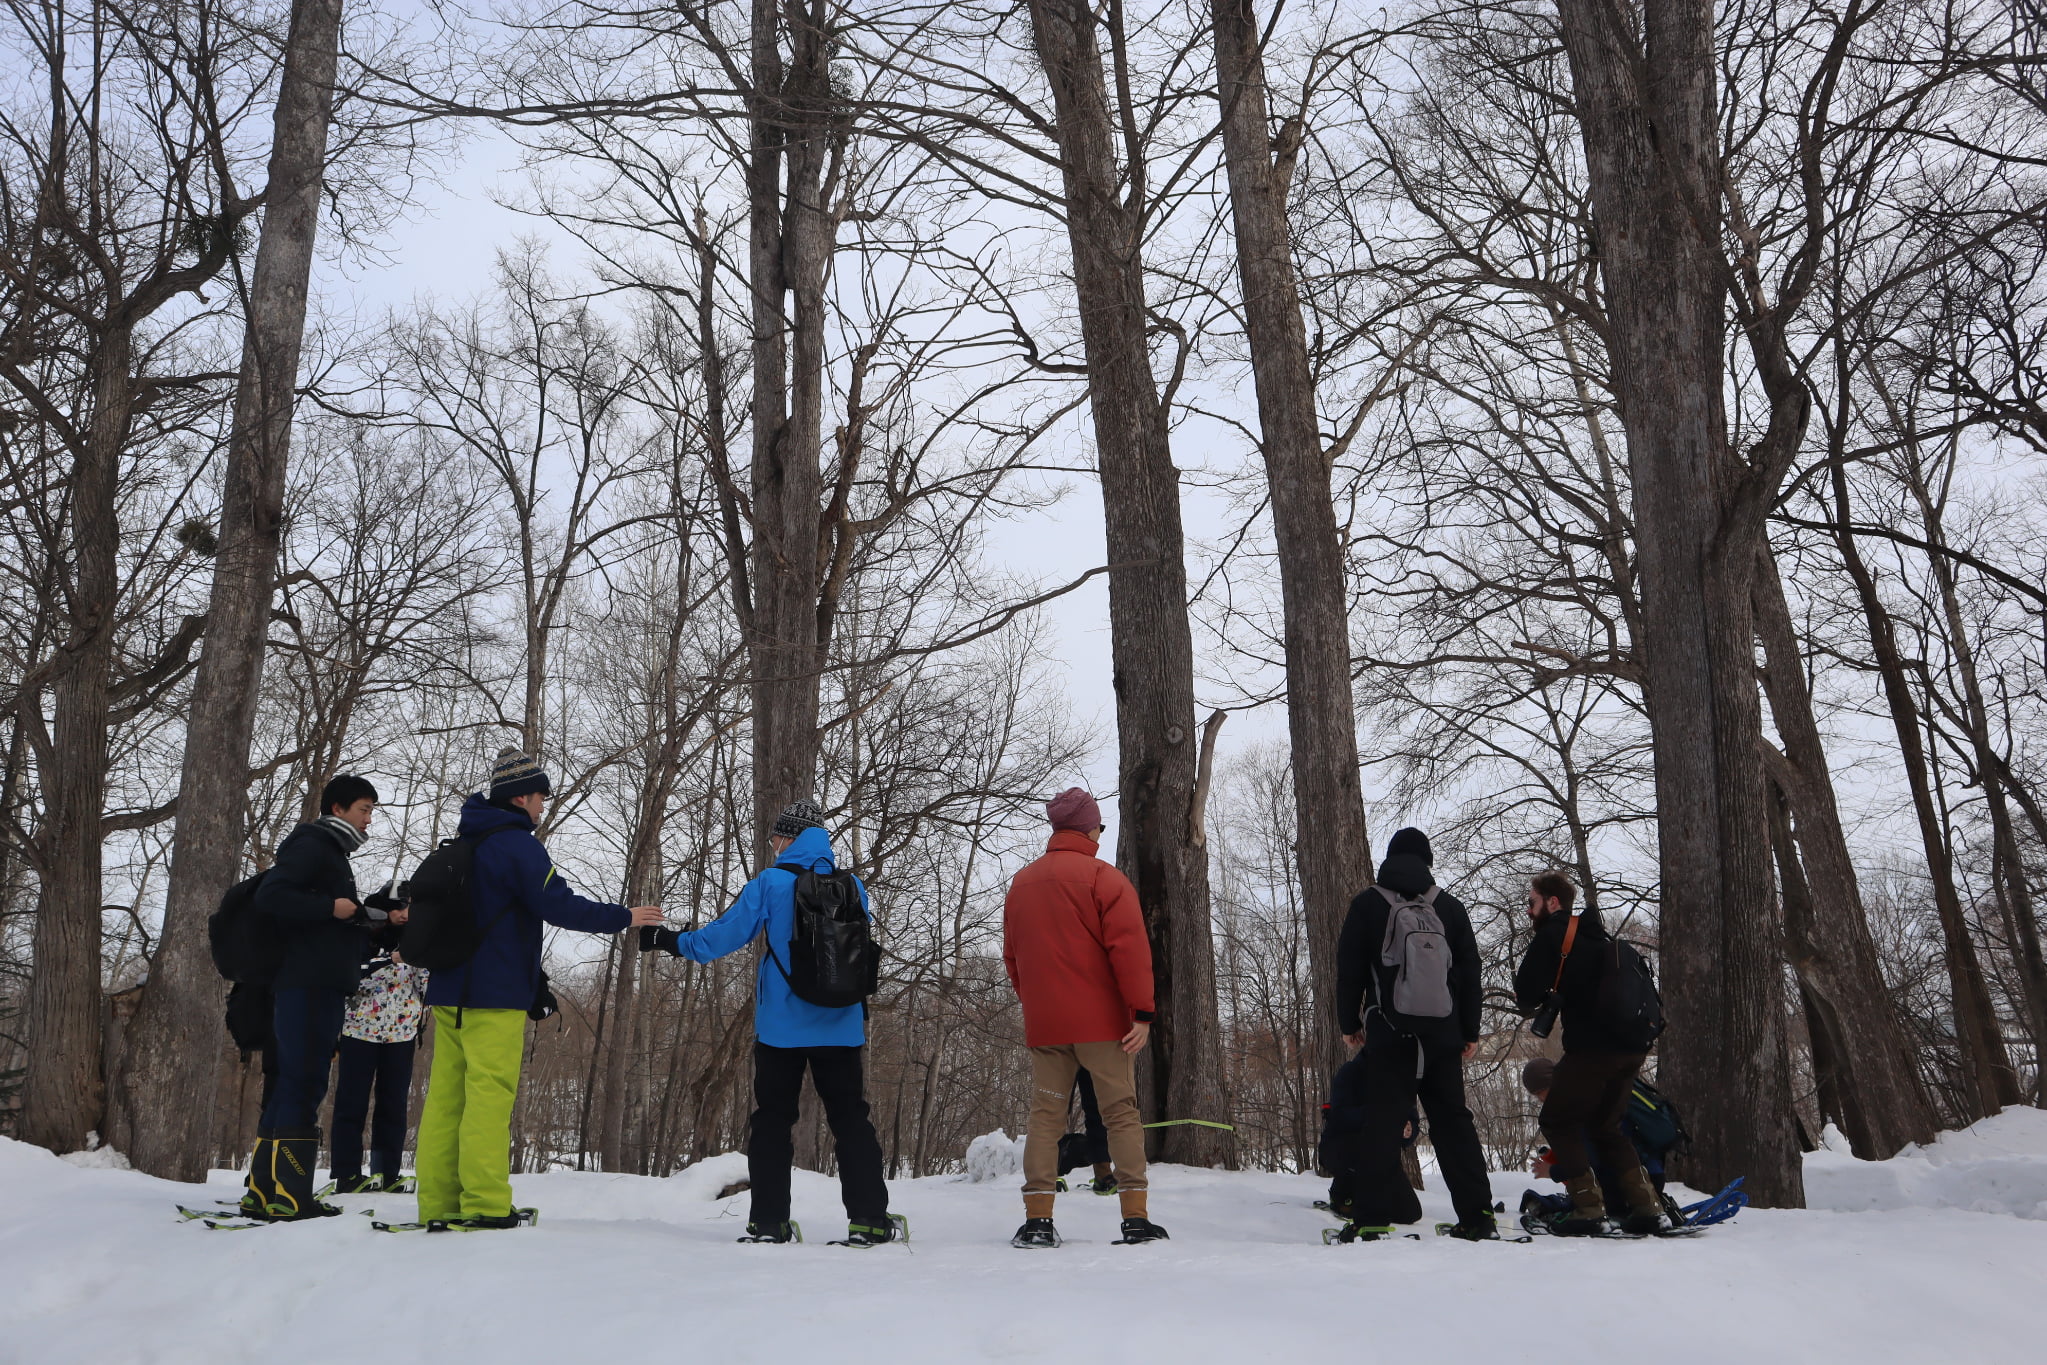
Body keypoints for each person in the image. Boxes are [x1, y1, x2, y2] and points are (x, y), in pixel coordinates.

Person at [414, 750, 663, 1229]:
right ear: (521, 796)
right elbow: (560, 905)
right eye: (541, 798)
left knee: (446, 1100)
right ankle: (485, 1204)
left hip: (447, 992)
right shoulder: (516, 846)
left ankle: (439, 1204)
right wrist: (625, 916)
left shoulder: (465, 842)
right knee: (488, 1097)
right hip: (495, 995)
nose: (543, 807)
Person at [640, 799, 898, 1246]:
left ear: (790, 837)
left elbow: (719, 938)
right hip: (841, 1025)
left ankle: (769, 1223)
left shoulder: (770, 883)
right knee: (851, 1120)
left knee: (773, 1121)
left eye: (777, 837)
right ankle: (871, 1220)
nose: (773, 844)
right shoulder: (854, 885)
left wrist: (667, 940)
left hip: (781, 1030)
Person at [1000, 787, 1164, 1249]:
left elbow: (1013, 956)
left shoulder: (1022, 883)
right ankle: (1134, 1218)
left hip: (1048, 1024)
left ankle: (1037, 1221)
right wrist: (1142, 1013)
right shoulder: (1104, 879)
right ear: (1090, 827)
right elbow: (1130, 951)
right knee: (1120, 1115)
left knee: (1046, 1118)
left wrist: (1036, 1003)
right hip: (1103, 1027)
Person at [1331, 826, 1496, 1240]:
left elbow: (1349, 970)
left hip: (1390, 1034)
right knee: (1454, 1123)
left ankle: (1369, 1220)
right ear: (1428, 862)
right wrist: (1470, 1031)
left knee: (1382, 1124)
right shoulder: (1450, 909)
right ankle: (1478, 1218)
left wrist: (1350, 1024)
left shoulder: (1368, 905)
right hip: (1444, 1035)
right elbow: (1470, 974)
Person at [241, 774, 381, 1221]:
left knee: (292, 1081)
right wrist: (331, 909)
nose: (369, 820)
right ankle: (292, 1196)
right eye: (364, 809)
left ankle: (265, 1191)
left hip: (311, 980)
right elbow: (272, 895)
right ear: (338, 809)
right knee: (305, 1081)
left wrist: (354, 917)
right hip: (308, 983)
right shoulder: (314, 844)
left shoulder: (327, 850)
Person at [1512, 871, 1666, 1235]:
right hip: (1632, 1047)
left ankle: (1588, 1209)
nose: (1529, 911)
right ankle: (1647, 1208)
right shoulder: (1599, 935)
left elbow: (1525, 995)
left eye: (1531, 903)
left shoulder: (1553, 935)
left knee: (1557, 1120)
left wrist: (1551, 995)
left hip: (1592, 1048)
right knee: (1605, 1125)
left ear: (1552, 903)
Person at [328, 888, 425, 1194]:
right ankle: (347, 1174)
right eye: (397, 908)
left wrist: (422, 962)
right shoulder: (361, 935)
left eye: (408, 908)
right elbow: (347, 975)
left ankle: (387, 1172)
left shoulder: (416, 938)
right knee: (351, 1103)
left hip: (401, 1034)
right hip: (359, 1031)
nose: (403, 914)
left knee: (394, 1105)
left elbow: (427, 987)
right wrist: (389, 960)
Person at [1517, 1056, 1686, 1225]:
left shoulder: (1579, 1104)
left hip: (1630, 1185)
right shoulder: (1595, 1088)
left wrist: (1553, 1171)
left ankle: (1638, 1209)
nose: (1540, 1099)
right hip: (1650, 1178)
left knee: (1581, 1210)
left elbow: (1592, 1159)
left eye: (1539, 1092)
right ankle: (1652, 1205)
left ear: (1552, 1083)